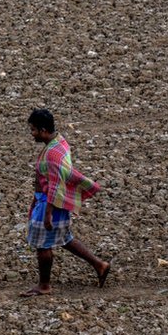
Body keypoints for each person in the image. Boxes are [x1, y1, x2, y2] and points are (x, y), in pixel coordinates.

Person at [19, 108, 110, 297]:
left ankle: (44, 285)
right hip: (53, 203)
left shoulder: (51, 154)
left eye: (34, 130)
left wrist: (47, 213)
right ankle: (99, 265)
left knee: (43, 245)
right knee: (65, 238)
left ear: (43, 130)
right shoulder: (60, 142)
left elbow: (53, 185)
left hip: (49, 204)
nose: (32, 134)